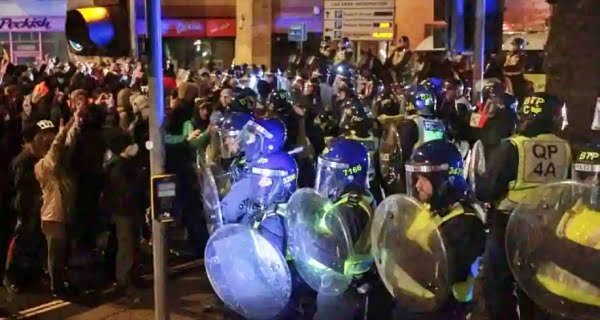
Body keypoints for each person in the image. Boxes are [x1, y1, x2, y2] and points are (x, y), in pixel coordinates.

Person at [472, 92, 572, 320]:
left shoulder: (513, 147)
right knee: (535, 287)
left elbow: (486, 190)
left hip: (508, 225)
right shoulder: (564, 148)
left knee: (497, 285)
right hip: (546, 227)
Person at [390, 140, 485, 319]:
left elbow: (440, 273)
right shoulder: (429, 208)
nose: (417, 186)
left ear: (445, 181)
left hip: (438, 310)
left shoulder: (466, 223)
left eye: (424, 180)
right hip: (411, 300)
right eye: (417, 179)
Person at [504, 145, 600, 320]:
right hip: (546, 301)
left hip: (586, 311)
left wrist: (548, 246)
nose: (593, 183)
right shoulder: (572, 205)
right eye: (586, 175)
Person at [307, 138, 384, 320]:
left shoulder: (347, 209)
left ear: (348, 173)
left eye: (331, 171)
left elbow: (335, 253)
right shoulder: (360, 196)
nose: (327, 177)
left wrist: (308, 236)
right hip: (346, 287)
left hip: (340, 289)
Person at [34, 118, 76, 297]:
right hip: (52, 215)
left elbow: (65, 144)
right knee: (55, 254)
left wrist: (73, 123)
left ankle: (60, 282)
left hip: (60, 213)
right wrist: (62, 131)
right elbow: (57, 147)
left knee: (61, 252)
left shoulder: (57, 167)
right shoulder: (43, 165)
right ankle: (56, 287)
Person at [3, 121, 46, 293]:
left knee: (34, 241)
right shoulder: (23, 160)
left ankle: (31, 274)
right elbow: (18, 186)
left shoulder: (39, 157)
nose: (44, 139)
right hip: (25, 207)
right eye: (40, 136)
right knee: (20, 242)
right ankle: (11, 277)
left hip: (36, 206)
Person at [100, 129, 142, 298]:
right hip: (123, 211)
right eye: (130, 144)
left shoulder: (129, 163)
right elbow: (124, 190)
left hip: (132, 209)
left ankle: (133, 275)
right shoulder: (117, 167)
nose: (134, 146)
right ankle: (123, 280)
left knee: (134, 244)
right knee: (126, 245)